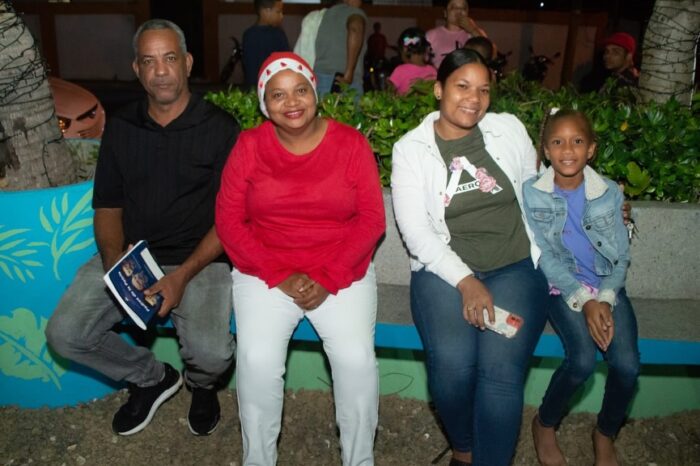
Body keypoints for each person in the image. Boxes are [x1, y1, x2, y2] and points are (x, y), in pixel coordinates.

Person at [45, 19, 238, 437]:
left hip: (200, 261)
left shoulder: (221, 129)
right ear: (137, 69)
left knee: (213, 355)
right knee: (64, 333)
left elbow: (229, 220)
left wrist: (181, 276)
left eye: (169, 58)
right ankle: (152, 377)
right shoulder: (122, 126)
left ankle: (202, 385)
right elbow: (108, 206)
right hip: (131, 256)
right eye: (149, 61)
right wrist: (118, 269)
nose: (160, 71)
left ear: (187, 63)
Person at [215, 51, 385, 466]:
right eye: (278, 95)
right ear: (264, 104)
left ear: (315, 93)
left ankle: (359, 461)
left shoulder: (350, 144)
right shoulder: (249, 146)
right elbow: (229, 222)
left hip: (340, 269)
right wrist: (280, 275)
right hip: (265, 270)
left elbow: (371, 221)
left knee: (356, 359)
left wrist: (328, 277)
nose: (292, 102)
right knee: (256, 360)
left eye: (300, 90)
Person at [391, 48, 550, 466]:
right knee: (452, 368)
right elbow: (417, 234)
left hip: (514, 267)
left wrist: (594, 195)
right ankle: (464, 449)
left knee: (500, 375)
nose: (474, 99)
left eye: (483, 90)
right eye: (462, 86)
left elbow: (537, 189)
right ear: (439, 89)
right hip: (443, 271)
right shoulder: (411, 149)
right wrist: (466, 281)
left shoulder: (507, 130)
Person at [524, 108, 640, 466]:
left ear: (591, 149)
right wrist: (584, 300)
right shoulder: (531, 193)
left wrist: (604, 297)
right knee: (582, 362)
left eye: (577, 141)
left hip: (607, 287)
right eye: (558, 142)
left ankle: (605, 433)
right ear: (546, 150)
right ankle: (545, 423)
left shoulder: (609, 193)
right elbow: (543, 256)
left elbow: (621, 257)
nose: (568, 150)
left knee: (627, 366)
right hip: (563, 288)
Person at [314, 0, 366, 95]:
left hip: (319, 79)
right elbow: (355, 29)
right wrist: (349, 74)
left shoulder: (325, 15)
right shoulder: (354, 12)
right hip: (341, 82)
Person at [242, 0, 290, 88]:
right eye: (278, 12)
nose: (281, 16)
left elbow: (286, 61)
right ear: (266, 11)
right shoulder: (250, 36)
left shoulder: (279, 33)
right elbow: (250, 68)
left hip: (276, 85)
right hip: (260, 86)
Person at [426, 0, 487, 69]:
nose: (459, 11)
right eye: (453, 7)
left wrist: (472, 30)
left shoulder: (475, 33)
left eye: (463, 8)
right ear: (445, 13)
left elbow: (490, 53)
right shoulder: (432, 35)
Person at [387, 27, 437, 95]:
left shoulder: (400, 70)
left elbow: (389, 95)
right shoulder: (433, 71)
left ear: (404, 49)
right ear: (425, 49)